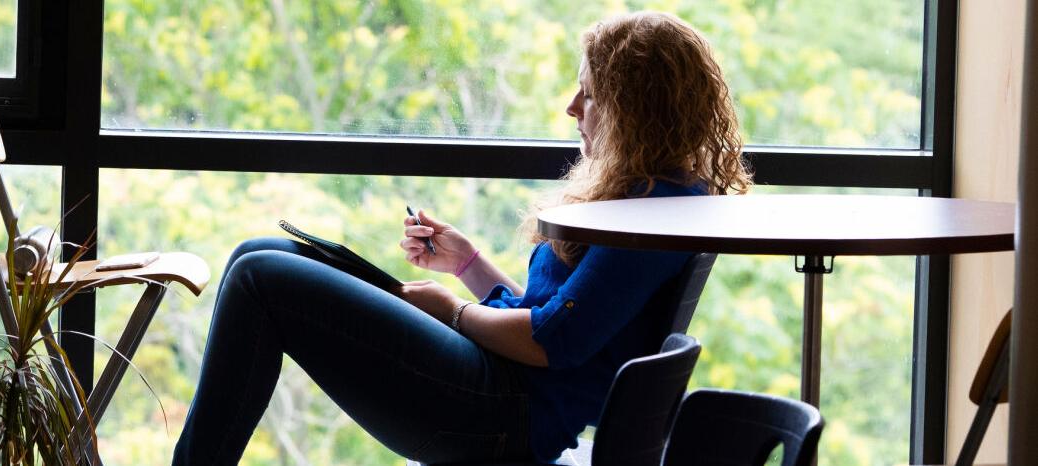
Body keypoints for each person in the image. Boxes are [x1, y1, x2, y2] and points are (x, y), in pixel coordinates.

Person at [172, 11, 753, 465]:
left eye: (591, 94)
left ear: (635, 109)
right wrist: (470, 264)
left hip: (502, 416)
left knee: (258, 278)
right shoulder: (648, 195)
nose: (571, 107)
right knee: (262, 254)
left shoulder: (653, 214)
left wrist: (454, 312)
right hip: (504, 392)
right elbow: (552, 319)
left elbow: (554, 343)